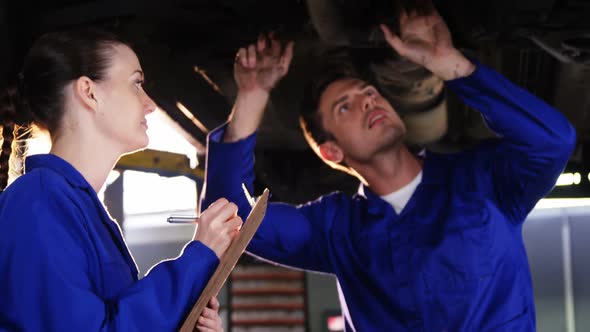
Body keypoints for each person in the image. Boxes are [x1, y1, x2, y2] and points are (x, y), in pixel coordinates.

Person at [201, 5, 577, 332]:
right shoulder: (336, 229)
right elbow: (228, 220)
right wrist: (252, 95)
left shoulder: (480, 180)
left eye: (369, 93)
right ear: (331, 152)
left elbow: (551, 142)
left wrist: (452, 64)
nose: (368, 102)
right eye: (345, 107)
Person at [0, 28, 243, 331]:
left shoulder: (74, 208)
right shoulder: (37, 202)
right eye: (136, 83)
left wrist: (183, 319)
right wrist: (196, 261)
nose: (150, 104)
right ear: (89, 92)